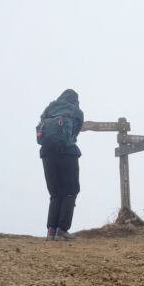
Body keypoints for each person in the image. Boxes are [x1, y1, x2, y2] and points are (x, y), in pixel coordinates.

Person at [37, 89, 83, 240]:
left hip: (47, 154)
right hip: (67, 154)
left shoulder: (49, 109)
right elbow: (74, 133)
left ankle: (51, 230)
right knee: (70, 191)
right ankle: (62, 229)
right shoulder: (75, 110)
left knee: (55, 193)